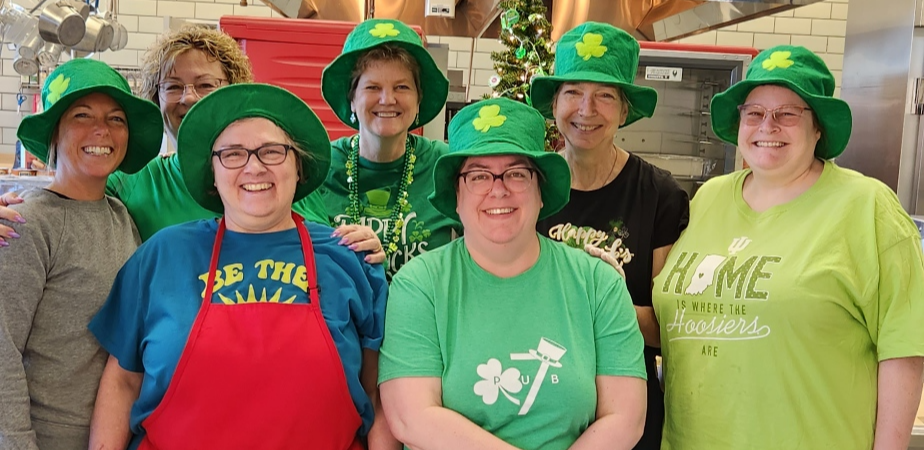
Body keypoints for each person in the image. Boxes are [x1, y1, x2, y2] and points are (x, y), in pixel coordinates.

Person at [87, 83, 394, 449]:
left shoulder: (351, 259)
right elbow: (122, 383)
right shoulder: (162, 256)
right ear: (212, 175)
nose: (254, 167)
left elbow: (378, 396)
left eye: (271, 151)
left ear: (299, 167)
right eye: (233, 154)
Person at [652, 45, 924, 450]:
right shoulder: (709, 198)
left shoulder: (867, 208)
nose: (768, 126)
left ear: (819, 128)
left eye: (787, 114)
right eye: (754, 113)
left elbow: (904, 349)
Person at [379, 97, 647, 450]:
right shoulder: (419, 285)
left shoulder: (599, 284)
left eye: (517, 173)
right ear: (456, 195)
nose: (498, 188)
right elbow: (410, 417)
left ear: (541, 191)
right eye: (477, 175)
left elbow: (626, 419)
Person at [0, 27, 382, 260]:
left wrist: (361, 243)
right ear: (155, 97)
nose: (188, 98)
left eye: (206, 85)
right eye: (173, 87)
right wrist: (14, 209)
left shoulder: (277, 174)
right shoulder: (133, 181)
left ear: (233, 93)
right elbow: (67, 205)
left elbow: (330, 247)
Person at [529, 22, 689, 449]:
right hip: (537, 401)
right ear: (556, 102)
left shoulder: (660, 195)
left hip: (628, 410)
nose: (587, 109)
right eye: (573, 92)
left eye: (605, 95)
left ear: (624, 110)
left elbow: (668, 330)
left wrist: (608, 300)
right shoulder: (527, 187)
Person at [0, 59, 162, 449]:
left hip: (114, 434)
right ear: (55, 132)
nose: (101, 130)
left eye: (116, 119)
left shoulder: (121, 215)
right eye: (82, 115)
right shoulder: (27, 223)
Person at [318, 18, 460, 277]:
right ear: (352, 100)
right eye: (372, 87)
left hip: (426, 316)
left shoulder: (446, 166)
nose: (387, 99)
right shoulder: (320, 167)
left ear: (419, 100)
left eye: (402, 87)